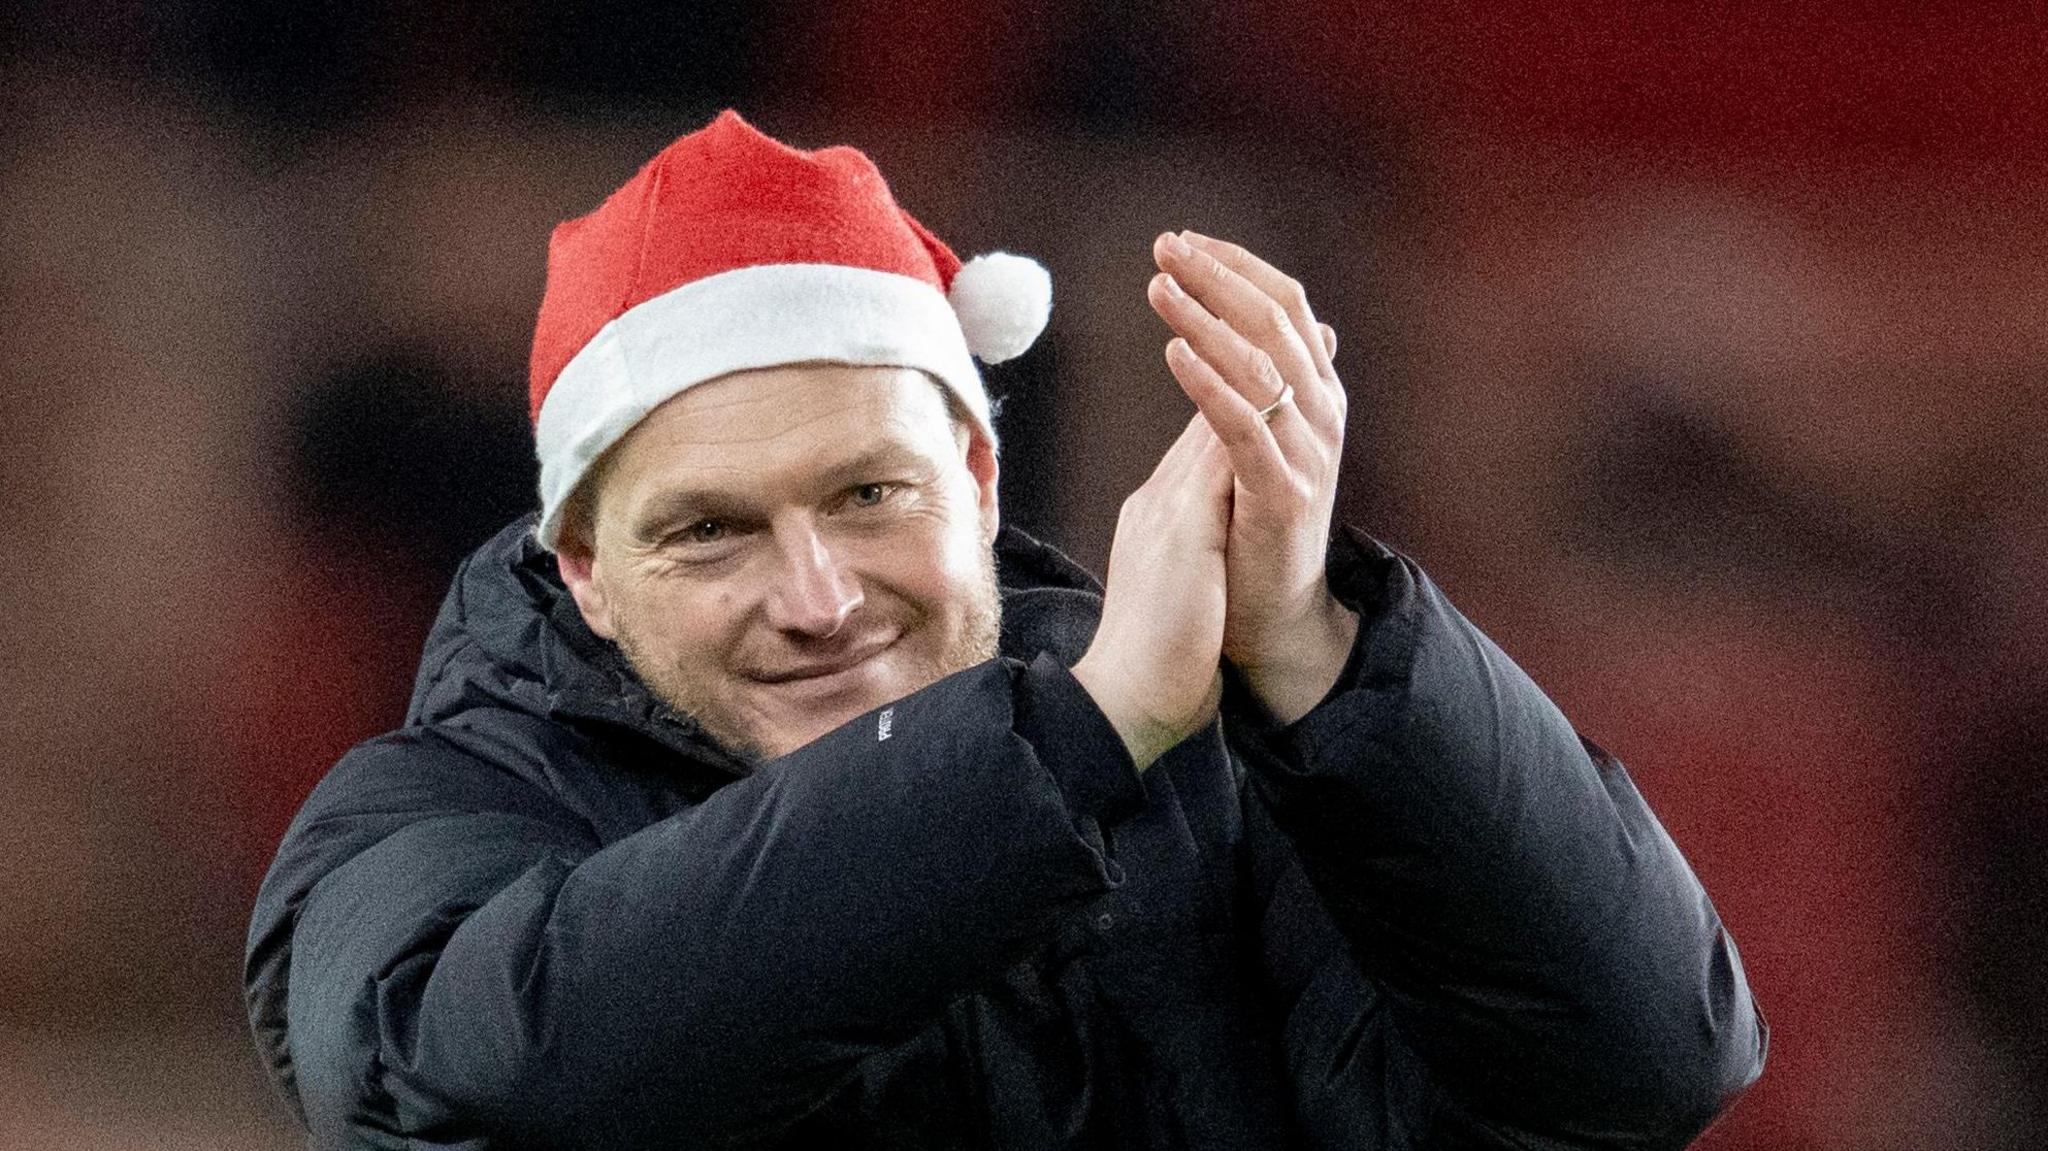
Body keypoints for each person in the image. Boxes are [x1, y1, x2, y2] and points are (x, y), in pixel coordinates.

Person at [245, 110, 1765, 1149]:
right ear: (579, 564)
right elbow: (496, 1089)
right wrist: (1077, 742)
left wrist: (1319, 648)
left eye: (869, 494)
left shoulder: (1223, 774)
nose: (818, 598)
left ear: (979, 481)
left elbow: (1642, 1069)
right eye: (710, 530)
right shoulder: (418, 826)